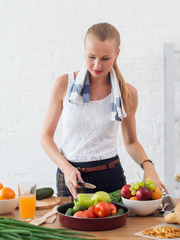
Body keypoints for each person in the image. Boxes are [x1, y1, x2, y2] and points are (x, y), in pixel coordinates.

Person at [41, 22, 167, 198]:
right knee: (68, 226)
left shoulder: (127, 93)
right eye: (91, 57)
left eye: (105, 58)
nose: (97, 65)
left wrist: (148, 166)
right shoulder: (64, 84)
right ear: (84, 52)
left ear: (117, 54)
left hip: (110, 178)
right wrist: (66, 168)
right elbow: (46, 137)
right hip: (71, 177)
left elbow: (131, 142)